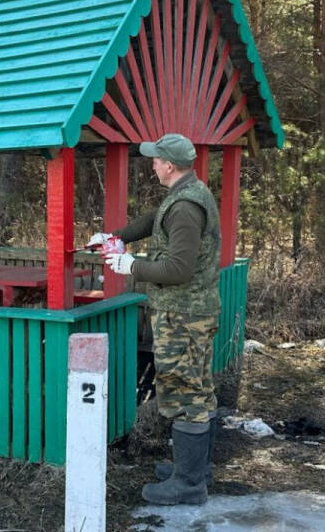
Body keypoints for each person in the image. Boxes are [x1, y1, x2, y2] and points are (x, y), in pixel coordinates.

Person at [88, 133, 221, 506]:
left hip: (184, 315)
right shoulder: (184, 193)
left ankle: (189, 485)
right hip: (189, 311)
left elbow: (178, 269)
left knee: (185, 393)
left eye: (156, 159)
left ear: (170, 165)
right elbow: (153, 220)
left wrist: (132, 266)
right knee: (197, 388)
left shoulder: (185, 206)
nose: (152, 163)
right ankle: (194, 469)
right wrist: (116, 236)